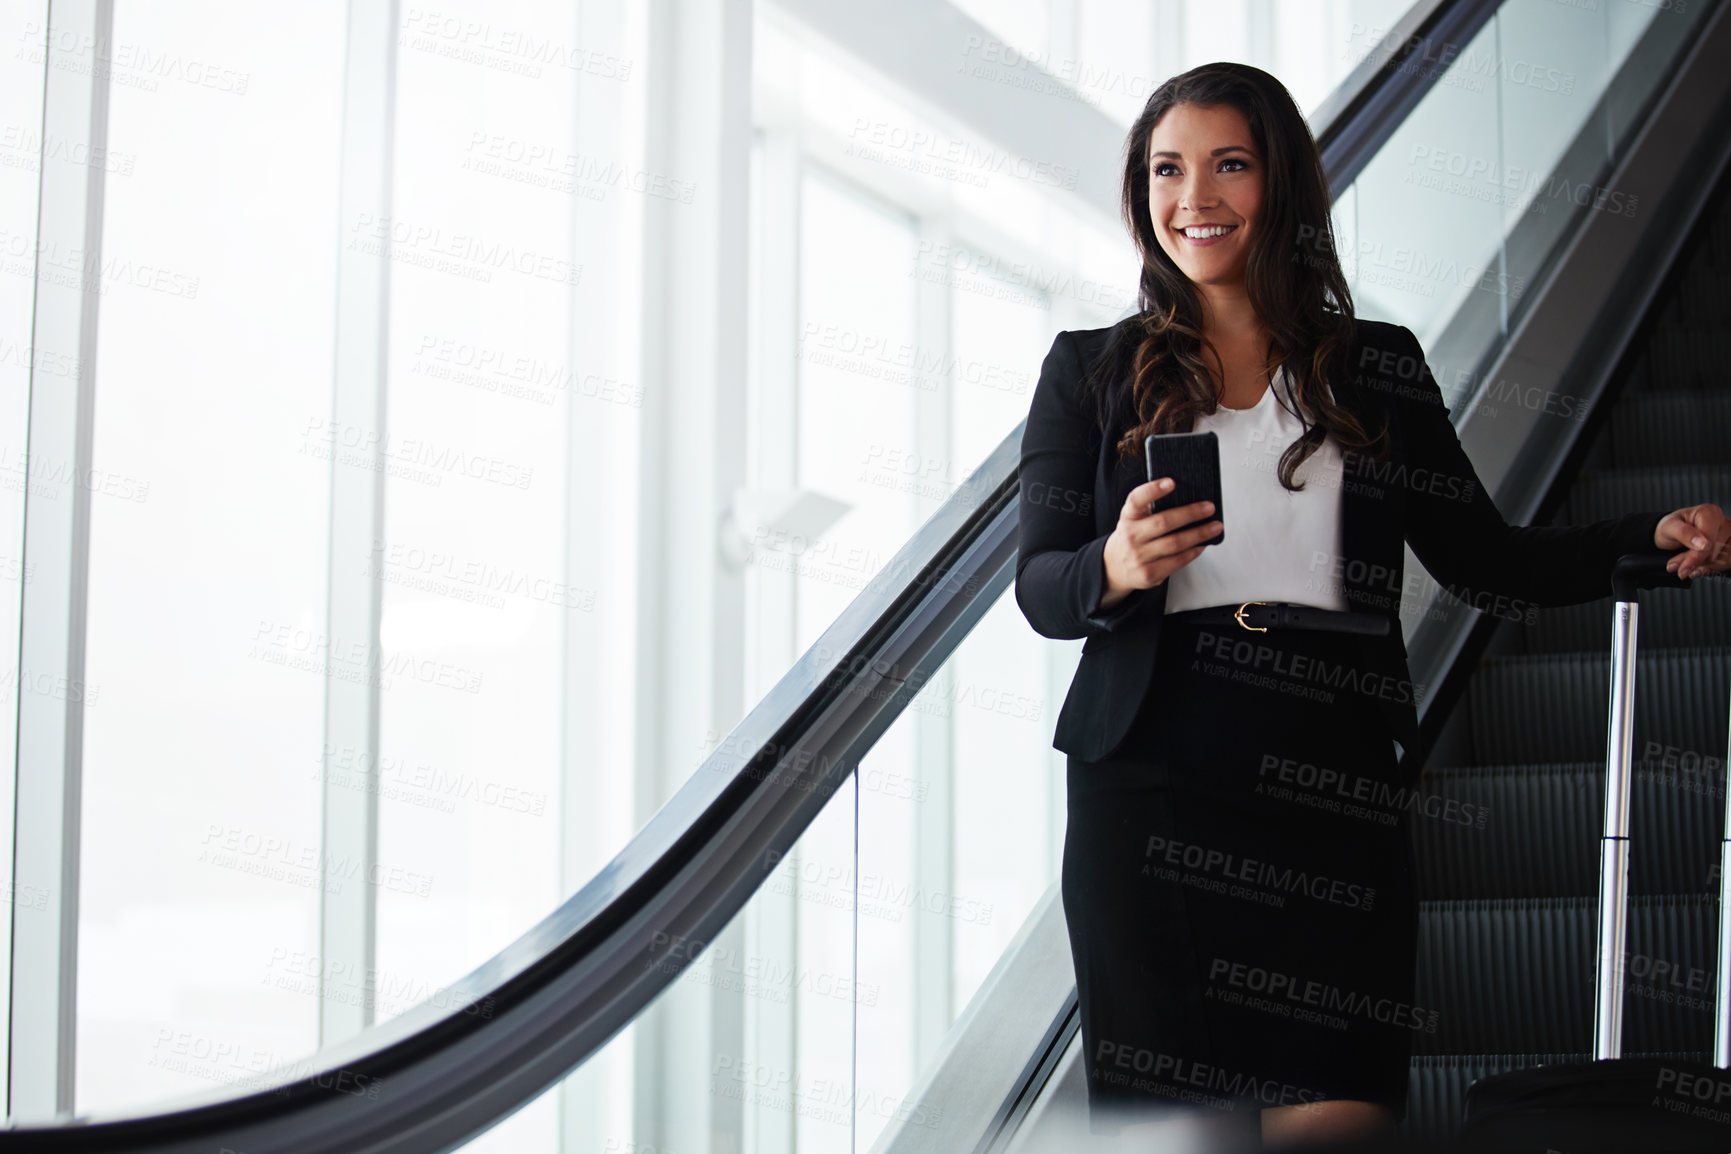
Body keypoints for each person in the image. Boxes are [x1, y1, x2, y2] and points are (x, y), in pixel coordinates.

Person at [1014, 61, 1731, 1152]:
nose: (1192, 196)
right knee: (1179, 1133)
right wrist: (1113, 563)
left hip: (1331, 775)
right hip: (1149, 789)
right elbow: (1042, 586)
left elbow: (1487, 559)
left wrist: (1642, 536)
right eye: (1168, 169)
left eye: (1229, 164)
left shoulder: (1376, 369)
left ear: (1283, 185)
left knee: (1339, 1112)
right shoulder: (1088, 372)